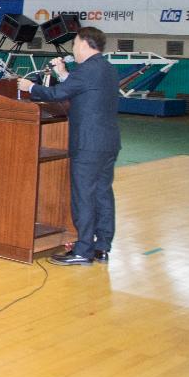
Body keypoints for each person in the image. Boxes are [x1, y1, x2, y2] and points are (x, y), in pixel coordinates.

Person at [18, 26, 121, 266]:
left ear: (85, 43)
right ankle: (102, 247)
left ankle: (82, 250)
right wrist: (64, 73)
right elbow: (81, 91)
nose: (72, 48)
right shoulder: (106, 69)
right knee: (103, 195)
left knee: (83, 196)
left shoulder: (87, 70)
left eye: (74, 43)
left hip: (88, 145)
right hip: (108, 143)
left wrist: (29, 87)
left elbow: (56, 94)